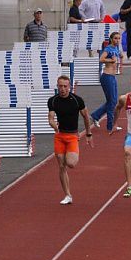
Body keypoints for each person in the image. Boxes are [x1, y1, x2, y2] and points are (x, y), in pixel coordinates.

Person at [47, 75, 93, 204]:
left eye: (65, 86)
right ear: (57, 86)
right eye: (60, 86)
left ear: (69, 86)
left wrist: (88, 134)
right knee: (61, 166)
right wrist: (53, 125)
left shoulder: (77, 100)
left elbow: (85, 116)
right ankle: (68, 195)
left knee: (71, 163)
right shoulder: (53, 101)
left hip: (72, 136)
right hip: (60, 136)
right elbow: (50, 117)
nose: (62, 89)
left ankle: (70, 154)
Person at [90, 31, 123, 133]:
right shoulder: (108, 48)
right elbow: (101, 59)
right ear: (111, 39)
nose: (117, 40)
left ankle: (95, 115)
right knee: (112, 102)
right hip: (107, 76)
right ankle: (110, 126)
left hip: (112, 77)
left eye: (118, 38)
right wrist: (111, 61)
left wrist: (120, 60)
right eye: (115, 38)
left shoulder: (116, 48)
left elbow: (120, 56)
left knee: (112, 101)